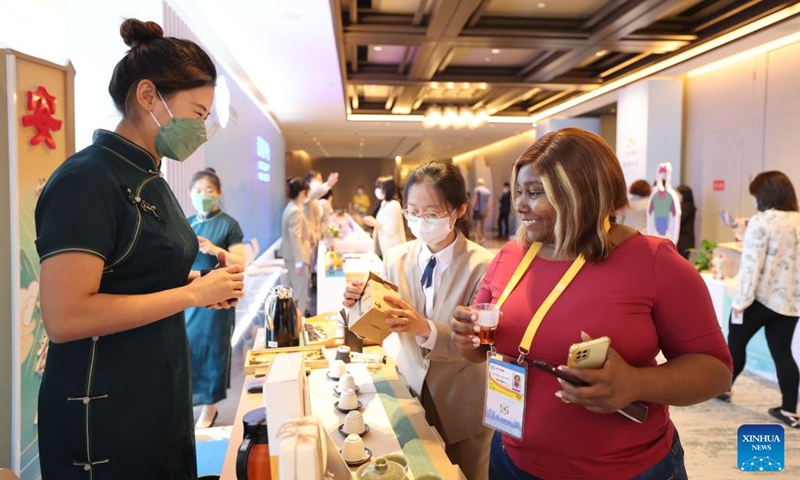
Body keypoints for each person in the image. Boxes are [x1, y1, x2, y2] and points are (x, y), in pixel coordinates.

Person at [449, 128, 732, 480]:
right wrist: (468, 339)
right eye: (520, 191)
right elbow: (481, 348)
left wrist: (634, 383)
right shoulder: (510, 256)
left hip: (625, 469)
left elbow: (716, 370)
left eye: (535, 193)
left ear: (582, 193)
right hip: (513, 459)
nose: (519, 205)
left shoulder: (655, 262)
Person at [34, 19, 244, 479]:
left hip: (156, 388)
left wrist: (198, 282)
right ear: (149, 97)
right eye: (197, 112)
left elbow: (136, 275)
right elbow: (66, 316)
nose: (201, 128)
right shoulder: (86, 179)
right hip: (105, 407)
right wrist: (192, 296)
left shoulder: (151, 176)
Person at [344, 162, 494, 480]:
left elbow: (482, 342)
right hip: (409, 391)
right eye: (412, 211)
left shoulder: (483, 265)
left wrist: (424, 328)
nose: (419, 221)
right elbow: (380, 324)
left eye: (431, 213)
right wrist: (357, 306)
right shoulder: (396, 257)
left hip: (462, 405)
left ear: (460, 209)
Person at [722, 171, 800, 428]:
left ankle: (724, 388)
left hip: (758, 299)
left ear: (764, 195)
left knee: (735, 344)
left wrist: (739, 303)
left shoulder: (762, 221)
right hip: (789, 301)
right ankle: (790, 409)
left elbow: (752, 266)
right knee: (782, 353)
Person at [186, 168, 245, 429]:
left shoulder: (229, 224)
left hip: (218, 299)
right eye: (198, 191)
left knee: (213, 351)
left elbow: (242, 262)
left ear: (219, 193)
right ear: (190, 194)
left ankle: (209, 410)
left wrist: (214, 249)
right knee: (189, 351)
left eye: (208, 190)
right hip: (188, 297)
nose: (203, 196)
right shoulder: (186, 224)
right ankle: (189, 405)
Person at [281, 177, 313, 315]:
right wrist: (299, 262)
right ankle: (298, 329)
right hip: (296, 259)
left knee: (295, 294)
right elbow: (295, 238)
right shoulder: (295, 211)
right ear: (302, 192)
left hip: (292, 258)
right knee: (299, 295)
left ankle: (295, 326)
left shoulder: (291, 207)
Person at [363, 175, 406, 257]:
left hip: (393, 247)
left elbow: (391, 230)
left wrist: (374, 223)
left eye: (380, 187)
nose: (377, 190)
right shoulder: (383, 203)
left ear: (387, 190)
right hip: (384, 247)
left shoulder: (394, 205)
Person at [675, 185, 696, 259]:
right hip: (682, 241)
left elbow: (678, 220)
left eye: (677, 194)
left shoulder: (687, 207)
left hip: (684, 242)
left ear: (683, 195)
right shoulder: (684, 206)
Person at [471, 178, 492, 243]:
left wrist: (472, 208)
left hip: (477, 210)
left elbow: (475, 199)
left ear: (478, 183)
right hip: (484, 210)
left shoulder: (477, 190)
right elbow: (488, 202)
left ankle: (480, 238)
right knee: (482, 225)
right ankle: (483, 238)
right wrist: (488, 210)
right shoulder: (487, 191)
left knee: (475, 225)